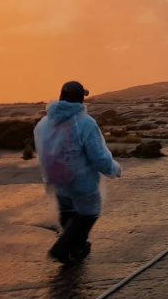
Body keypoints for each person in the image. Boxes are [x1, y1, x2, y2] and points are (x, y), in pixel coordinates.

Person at [34, 81, 121, 264]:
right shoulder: (85, 123)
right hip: (81, 182)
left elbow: (42, 150)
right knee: (88, 214)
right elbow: (98, 156)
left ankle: (75, 247)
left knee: (68, 212)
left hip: (57, 180)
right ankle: (63, 248)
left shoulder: (44, 123)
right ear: (81, 99)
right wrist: (114, 169)